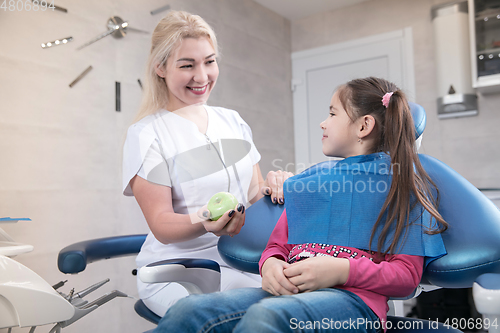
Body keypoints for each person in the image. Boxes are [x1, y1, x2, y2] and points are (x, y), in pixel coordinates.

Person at [154, 77, 449, 333]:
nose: (323, 122)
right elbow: (277, 248)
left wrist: (342, 270)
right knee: (188, 310)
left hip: (356, 305)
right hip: (289, 295)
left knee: (267, 318)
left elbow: (406, 278)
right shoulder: (310, 182)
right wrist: (270, 265)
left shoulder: (402, 190)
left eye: (332, 113)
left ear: (364, 125)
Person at [122, 10, 292, 317]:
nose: (202, 76)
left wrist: (277, 188)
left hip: (243, 261)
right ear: (160, 67)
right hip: (177, 271)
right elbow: (161, 223)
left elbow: (255, 194)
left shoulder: (232, 121)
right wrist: (205, 222)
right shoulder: (147, 134)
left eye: (209, 61)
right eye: (187, 65)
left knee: (293, 309)